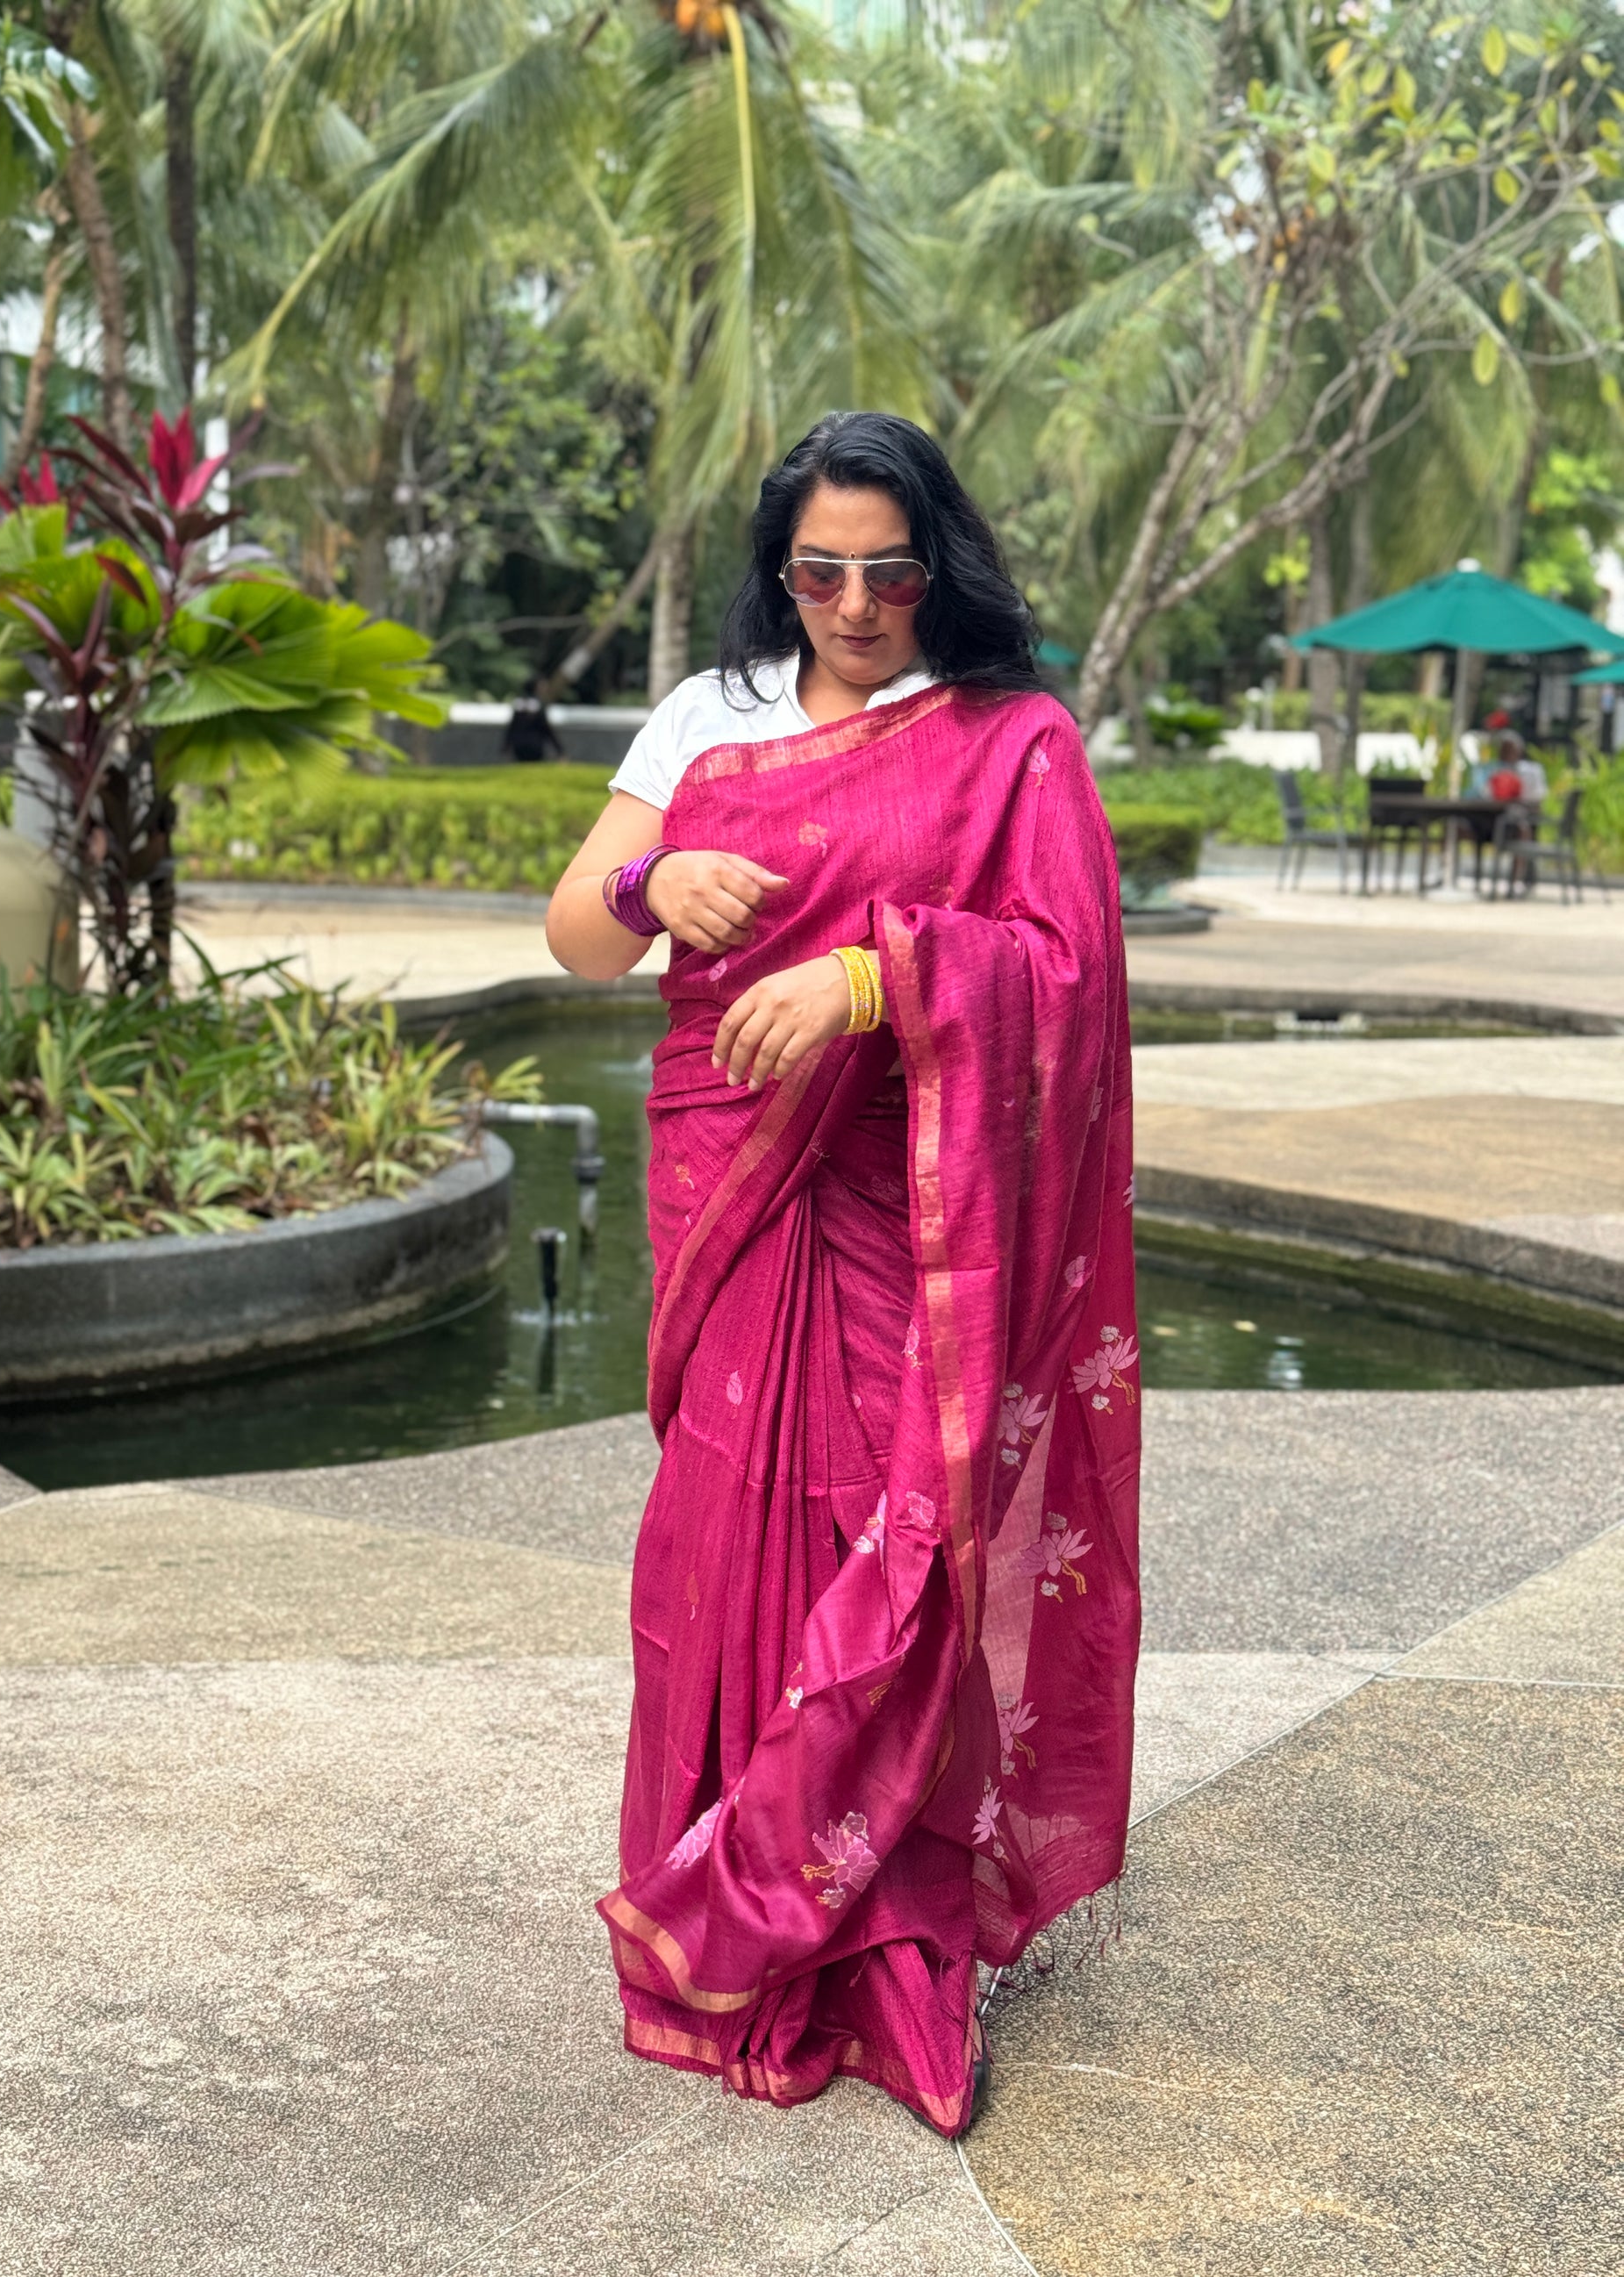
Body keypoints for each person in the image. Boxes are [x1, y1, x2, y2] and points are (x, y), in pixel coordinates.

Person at [546, 411, 1139, 2138]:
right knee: (723, 1535)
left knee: (902, 1531)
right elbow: (578, 934)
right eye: (822, 573)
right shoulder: (705, 713)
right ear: (779, 571)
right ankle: (725, 1884)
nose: (860, 606)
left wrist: (875, 983)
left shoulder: (1010, 736)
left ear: (939, 565)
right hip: (730, 1170)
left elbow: (1067, 962)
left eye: (892, 571)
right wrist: (654, 872)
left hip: (913, 1199)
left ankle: (878, 1933)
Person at [502, 685, 564, 763]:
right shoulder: (538, 705)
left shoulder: (519, 705)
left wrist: (505, 747)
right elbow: (547, 729)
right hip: (535, 746)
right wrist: (559, 750)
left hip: (519, 746)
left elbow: (512, 728)